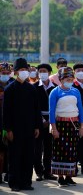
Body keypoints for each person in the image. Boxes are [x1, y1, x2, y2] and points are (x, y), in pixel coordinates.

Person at [3, 58, 41, 191]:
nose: (24, 72)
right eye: (21, 70)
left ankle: (26, 182)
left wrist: (37, 126)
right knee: (15, 157)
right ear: (15, 72)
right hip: (15, 129)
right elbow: (6, 112)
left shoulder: (31, 89)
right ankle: (14, 183)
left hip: (30, 128)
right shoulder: (10, 89)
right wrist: (8, 129)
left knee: (28, 156)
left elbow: (36, 109)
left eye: (25, 69)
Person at [49, 67, 83, 187]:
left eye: (71, 79)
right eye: (67, 79)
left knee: (72, 151)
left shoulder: (76, 91)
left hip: (73, 125)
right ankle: (60, 176)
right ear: (61, 79)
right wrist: (54, 128)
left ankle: (69, 176)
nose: (69, 81)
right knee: (59, 151)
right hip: (60, 125)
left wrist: (82, 126)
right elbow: (52, 111)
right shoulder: (55, 92)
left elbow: (80, 109)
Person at [33, 64, 57, 182]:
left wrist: (51, 121)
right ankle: (39, 172)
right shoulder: (34, 87)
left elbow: (58, 105)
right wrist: (42, 120)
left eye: (45, 71)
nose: (42, 73)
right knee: (37, 148)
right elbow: (32, 107)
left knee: (49, 148)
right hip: (38, 121)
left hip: (52, 120)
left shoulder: (55, 87)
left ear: (49, 72)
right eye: (40, 71)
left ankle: (48, 171)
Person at [0, 63, 14, 184]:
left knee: (10, 151)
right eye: (2, 73)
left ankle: (9, 174)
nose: (5, 75)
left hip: (10, 123)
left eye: (7, 73)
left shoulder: (13, 84)